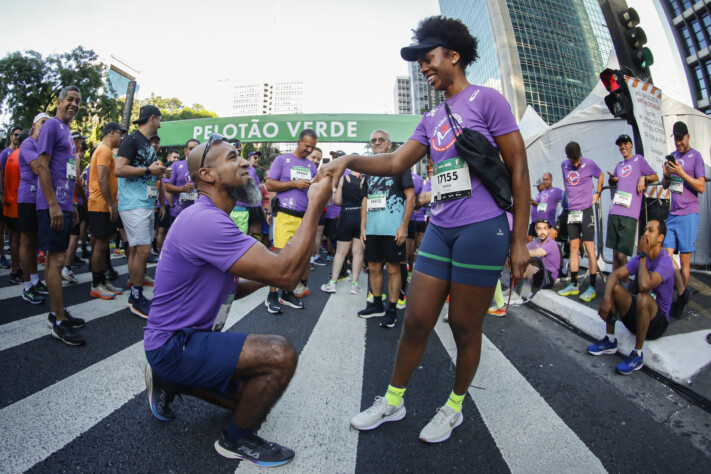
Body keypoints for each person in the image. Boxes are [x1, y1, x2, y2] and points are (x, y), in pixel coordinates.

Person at [319, 16, 529, 443]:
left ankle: (454, 407)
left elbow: (519, 167)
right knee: (415, 319)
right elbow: (396, 162)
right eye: (419, 62)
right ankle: (393, 401)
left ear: (453, 55)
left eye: (428, 58)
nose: (423, 67)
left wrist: (520, 239)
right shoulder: (431, 116)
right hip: (440, 228)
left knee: (464, 326)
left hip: (482, 228)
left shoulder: (488, 100)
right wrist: (349, 161)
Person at [143, 134, 332, 466]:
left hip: (184, 343)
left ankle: (169, 379)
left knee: (251, 396)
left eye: (242, 156)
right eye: (233, 158)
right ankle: (236, 439)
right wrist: (315, 204)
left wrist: (266, 276)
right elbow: (288, 275)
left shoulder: (213, 217)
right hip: (175, 344)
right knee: (280, 354)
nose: (246, 162)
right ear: (208, 175)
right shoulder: (205, 220)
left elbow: (232, 287)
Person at [35, 85, 87, 345]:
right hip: (52, 206)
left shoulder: (66, 131)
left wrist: (72, 205)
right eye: (70, 99)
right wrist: (53, 204)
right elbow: (42, 166)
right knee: (55, 262)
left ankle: (57, 312)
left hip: (65, 205)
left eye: (78, 101)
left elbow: (64, 171)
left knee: (54, 261)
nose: (74, 104)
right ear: (58, 101)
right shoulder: (51, 126)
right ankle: (58, 321)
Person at [588, 220, 673, 375]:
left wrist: (642, 255)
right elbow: (614, 274)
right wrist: (607, 299)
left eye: (651, 230)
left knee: (643, 297)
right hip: (638, 318)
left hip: (656, 323)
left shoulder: (665, 261)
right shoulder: (642, 257)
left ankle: (637, 354)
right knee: (615, 288)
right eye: (645, 229)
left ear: (660, 238)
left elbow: (645, 286)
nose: (645, 233)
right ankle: (610, 340)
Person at [115, 105, 169, 319]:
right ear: (152, 118)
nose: (161, 123)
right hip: (133, 203)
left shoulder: (147, 144)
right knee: (144, 251)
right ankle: (136, 297)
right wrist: (149, 170)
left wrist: (160, 172)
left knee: (137, 251)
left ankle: (135, 291)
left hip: (145, 203)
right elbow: (119, 169)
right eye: (160, 119)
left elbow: (148, 173)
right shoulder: (132, 140)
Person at [357, 129, 414, 328]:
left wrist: (403, 227)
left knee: (392, 269)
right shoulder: (369, 169)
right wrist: (363, 227)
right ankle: (377, 305)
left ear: (390, 144)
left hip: (393, 229)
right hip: (372, 229)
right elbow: (365, 199)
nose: (377, 143)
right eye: (373, 140)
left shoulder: (400, 165)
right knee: (373, 267)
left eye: (381, 140)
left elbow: (410, 196)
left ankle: (391, 309)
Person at [264, 129, 318, 313]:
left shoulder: (311, 167)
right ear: (298, 141)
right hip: (284, 214)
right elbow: (270, 184)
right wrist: (294, 184)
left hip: (303, 218)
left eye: (312, 147)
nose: (309, 150)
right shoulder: (282, 160)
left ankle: (287, 294)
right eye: (306, 146)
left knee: (297, 259)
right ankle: (271, 296)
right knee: (279, 257)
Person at [662, 121, 705, 317]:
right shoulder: (674, 157)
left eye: (681, 138)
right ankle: (682, 292)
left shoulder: (696, 157)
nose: (679, 142)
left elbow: (701, 187)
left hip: (689, 213)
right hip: (673, 213)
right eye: (676, 138)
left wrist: (682, 173)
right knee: (665, 253)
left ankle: (679, 301)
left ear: (688, 137)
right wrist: (667, 175)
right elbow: (664, 186)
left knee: (685, 260)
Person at [605, 134, 658, 275]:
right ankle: (615, 288)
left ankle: (628, 286)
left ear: (631, 145)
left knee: (623, 255)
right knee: (615, 254)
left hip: (629, 214)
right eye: (620, 145)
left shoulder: (638, 159)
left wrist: (643, 177)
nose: (623, 147)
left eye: (625, 143)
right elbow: (613, 182)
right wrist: (612, 180)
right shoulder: (619, 165)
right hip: (614, 211)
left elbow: (655, 176)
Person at [557, 141, 603, 302]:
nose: (575, 163)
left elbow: (601, 174)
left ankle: (592, 287)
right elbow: (565, 180)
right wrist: (569, 194)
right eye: (573, 161)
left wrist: (597, 193)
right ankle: (574, 284)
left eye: (577, 160)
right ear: (568, 158)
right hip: (572, 212)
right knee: (574, 247)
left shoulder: (589, 164)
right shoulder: (564, 165)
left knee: (590, 248)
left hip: (586, 211)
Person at [88, 121, 127, 299]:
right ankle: (97, 284)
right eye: (120, 134)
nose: (121, 138)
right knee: (100, 245)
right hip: (100, 205)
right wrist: (111, 205)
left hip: (102, 204)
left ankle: (102, 281)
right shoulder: (104, 150)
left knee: (102, 245)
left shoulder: (105, 151)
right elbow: (102, 179)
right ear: (112, 133)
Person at [17, 114, 50, 303]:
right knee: (26, 242)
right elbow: (39, 168)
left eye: (48, 123)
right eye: (42, 123)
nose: (45, 126)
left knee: (36, 243)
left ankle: (35, 280)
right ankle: (27, 285)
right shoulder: (28, 144)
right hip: (28, 198)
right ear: (34, 125)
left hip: (41, 199)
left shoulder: (45, 145)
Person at [321, 168, 366, 294]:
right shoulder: (365, 180)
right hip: (361, 217)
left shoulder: (342, 179)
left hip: (346, 216)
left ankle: (332, 283)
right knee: (358, 253)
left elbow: (337, 202)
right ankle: (354, 285)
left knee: (340, 253)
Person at [3, 130, 27, 285]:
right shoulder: (23, 156)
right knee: (21, 241)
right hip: (19, 204)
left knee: (14, 240)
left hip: (9, 203)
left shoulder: (10, 155)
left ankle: (15, 269)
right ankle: (17, 271)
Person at [0, 126, 22, 269]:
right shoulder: (4, 154)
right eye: (15, 135)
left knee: (15, 234)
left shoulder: (21, 153)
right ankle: (2, 256)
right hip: (6, 197)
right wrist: (1, 194)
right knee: (3, 228)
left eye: (20, 135)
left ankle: (17, 264)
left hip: (18, 199)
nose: (17, 138)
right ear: (11, 137)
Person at [526, 219, 560, 290]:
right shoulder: (538, 241)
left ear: (549, 230)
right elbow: (525, 247)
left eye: (545, 228)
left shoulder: (551, 243)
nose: (542, 232)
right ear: (536, 230)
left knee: (526, 264)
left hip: (548, 277)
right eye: (539, 229)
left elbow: (537, 252)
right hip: (540, 271)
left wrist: (518, 252)